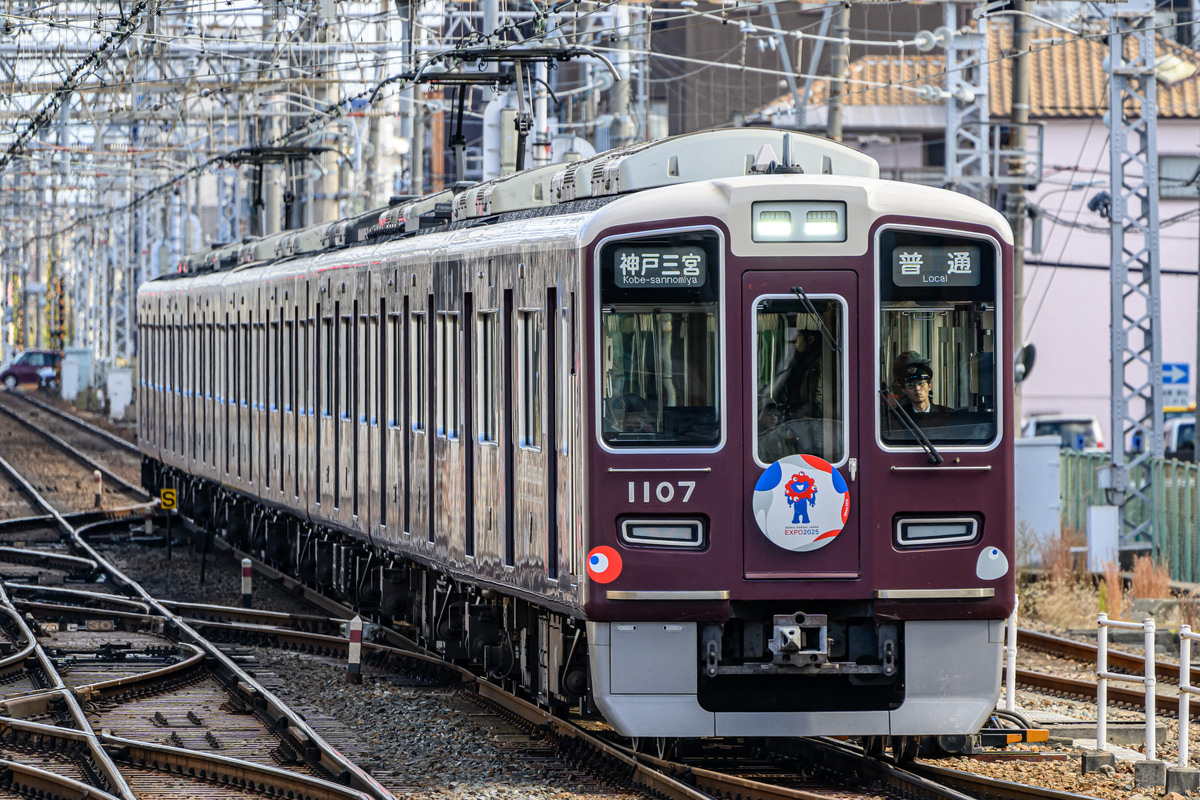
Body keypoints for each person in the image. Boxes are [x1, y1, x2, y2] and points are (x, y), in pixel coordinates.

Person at [775, 325, 824, 423]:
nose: (795, 341)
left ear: (810, 339)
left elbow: (816, 402)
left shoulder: (817, 365)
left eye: (798, 337)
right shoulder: (806, 363)